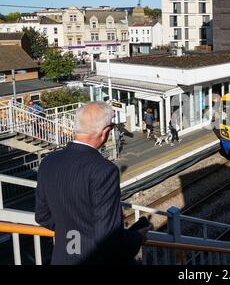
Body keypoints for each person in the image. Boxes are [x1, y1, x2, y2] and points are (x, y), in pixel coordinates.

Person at [35, 102, 149, 265]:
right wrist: (138, 237)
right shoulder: (104, 170)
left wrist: (73, 234)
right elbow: (108, 238)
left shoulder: (49, 161)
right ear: (105, 132)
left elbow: (42, 215)